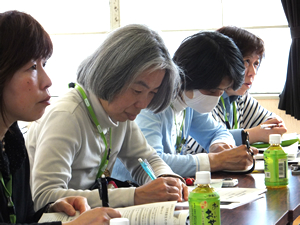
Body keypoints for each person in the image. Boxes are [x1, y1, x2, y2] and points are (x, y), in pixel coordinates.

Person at [25, 23, 188, 211]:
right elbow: (44, 197)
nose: (143, 104)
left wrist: (167, 180)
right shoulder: (67, 116)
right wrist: (135, 196)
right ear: (112, 76)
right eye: (137, 90)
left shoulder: (119, 113)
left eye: (152, 92)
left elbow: (147, 159)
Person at [0, 10, 121, 225]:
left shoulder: (12, 143)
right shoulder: (67, 113)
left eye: (43, 64)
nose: (47, 81)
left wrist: (51, 209)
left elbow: (19, 220)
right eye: (32, 67)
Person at [112, 31, 259, 180]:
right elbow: (152, 162)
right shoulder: (150, 104)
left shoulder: (189, 101)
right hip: (132, 189)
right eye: (212, 90)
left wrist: (219, 145)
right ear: (186, 77)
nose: (217, 97)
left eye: (222, 91)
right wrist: (216, 161)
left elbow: (218, 132)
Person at [186, 26, 287, 155]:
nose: (253, 72)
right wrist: (253, 134)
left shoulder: (240, 96)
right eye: (246, 61)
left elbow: (272, 123)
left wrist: (272, 128)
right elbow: (203, 145)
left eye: (256, 63)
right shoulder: (204, 96)